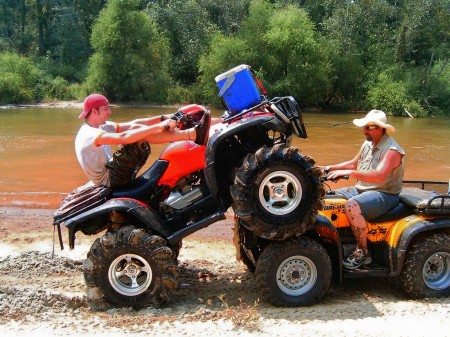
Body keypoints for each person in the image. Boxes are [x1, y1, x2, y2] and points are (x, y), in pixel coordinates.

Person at [318, 109, 405, 270]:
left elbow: (379, 176)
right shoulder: (368, 143)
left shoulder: (392, 151)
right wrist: (327, 168)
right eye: (364, 127)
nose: (364, 131)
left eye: (369, 127)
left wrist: (349, 173)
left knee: (352, 205)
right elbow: (353, 163)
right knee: (330, 197)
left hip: (384, 194)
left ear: (380, 128)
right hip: (362, 189)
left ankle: (363, 252)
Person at [75, 93, 209, 188]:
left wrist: (168, 117)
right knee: (137, 135)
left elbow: (136, 122)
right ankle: (192, 135)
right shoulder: (89, 134)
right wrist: (159, 127)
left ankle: (189, 133)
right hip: (109, 180)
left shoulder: (100, 126)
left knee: (136, 128)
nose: (109, 112)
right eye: (106, 109)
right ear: (94, 111)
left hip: (112, 172)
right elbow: (124, 138)